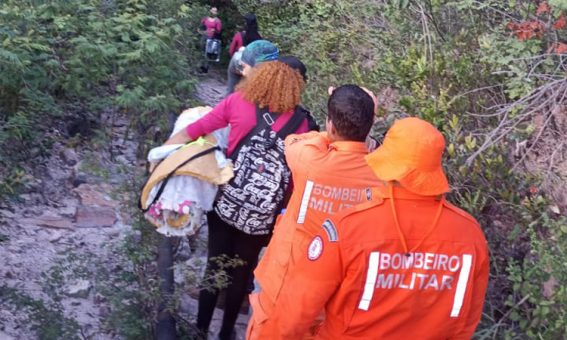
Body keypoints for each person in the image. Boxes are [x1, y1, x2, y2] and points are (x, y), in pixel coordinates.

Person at [269, 117, 490, 339]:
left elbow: (295, 312)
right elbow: (466, 318)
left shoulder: (348, 229)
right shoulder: (470, 234)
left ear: (387, 165)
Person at [166, 60, 309, 340]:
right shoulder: (301, 123)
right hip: (261, 215)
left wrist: (162, 156)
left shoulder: (238, 102)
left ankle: (200, 330)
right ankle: (226, 333)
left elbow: (197, 130)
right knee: (241, 275)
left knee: (215, 265)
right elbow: (295, 177)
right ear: (296, 87)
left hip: (226, 202)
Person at [247, 85, 384, 339]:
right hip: (334, 299)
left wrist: (331, 130)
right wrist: (365, 135)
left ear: (330, 126)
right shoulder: (381, 175)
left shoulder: (309, 160)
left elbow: (293, 141)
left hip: (285, 284)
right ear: (369, 127)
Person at [199, 7, 222, 73]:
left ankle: (206, 68)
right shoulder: (205, 18)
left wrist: (215, 30)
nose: (213, 12)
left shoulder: (217, 21)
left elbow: (219, 31)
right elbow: (201, 25)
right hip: (204, 36)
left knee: (208, 52)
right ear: (210, 11)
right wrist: (202, 31)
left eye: (215, 11)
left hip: (211, 38)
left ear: (216, 13)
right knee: (202, 50)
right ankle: (201, 65)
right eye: (212, 11)